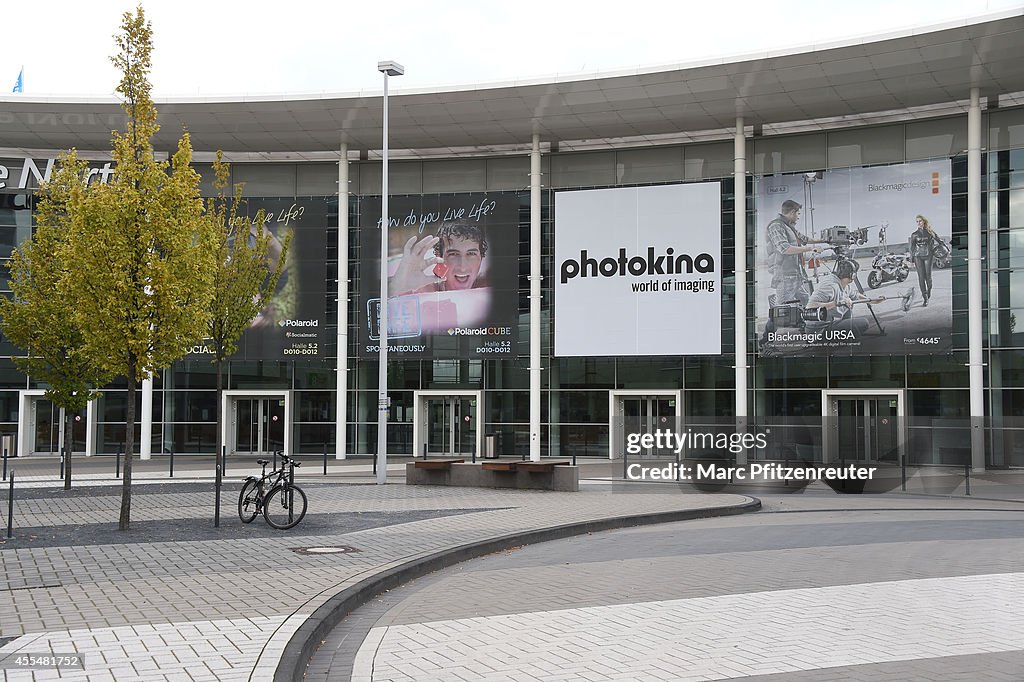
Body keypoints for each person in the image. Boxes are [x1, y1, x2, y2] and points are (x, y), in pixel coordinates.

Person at [391, 222, 489, 295]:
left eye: (471, 254)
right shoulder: (423, 292)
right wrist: (398, 288)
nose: (462, 267)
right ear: (439, 256)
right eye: (453, 254)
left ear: (481, 257)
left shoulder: (491, 285)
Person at [765, 200, 826, 308]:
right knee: (783, 309)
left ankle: (811, 324)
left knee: (807, 302)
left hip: (795, 276)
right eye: (798, 213)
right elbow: (785, 249)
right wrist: (811, 249)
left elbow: (804, 239)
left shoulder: (788, 226)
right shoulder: (776, 226)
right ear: (792, 212)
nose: (798, 217)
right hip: (785, 276)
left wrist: (825, 240)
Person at [804, 259, 881, 336]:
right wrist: (837, 303)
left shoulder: (843, 283)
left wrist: (872, 301)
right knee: (864, 323)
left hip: (827, 324)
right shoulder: (830, 286)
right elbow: (809, 306)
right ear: (852, 275)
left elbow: (855, 295)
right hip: (819, 330)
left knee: (850, 304)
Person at [908, 214, 940, 306]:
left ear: (924, 222)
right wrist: (911, 259)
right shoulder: (914, 234)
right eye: (917, 221)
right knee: (921, 278)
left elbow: (939, 241)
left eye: (920, 221)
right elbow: (911, 248)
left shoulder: (930, 232)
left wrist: (947, 247)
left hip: (928, 256)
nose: (918, 223)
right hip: (918, 257)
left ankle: (929, 290)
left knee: (928, 278)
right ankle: (925, 297)